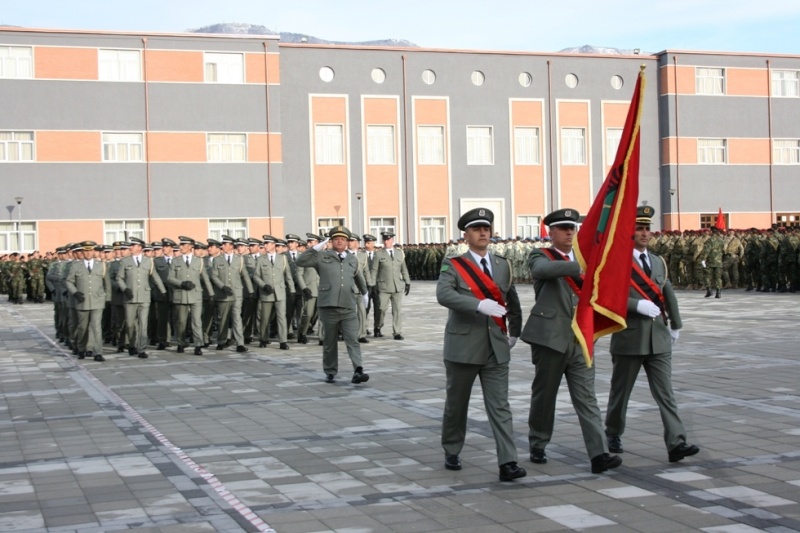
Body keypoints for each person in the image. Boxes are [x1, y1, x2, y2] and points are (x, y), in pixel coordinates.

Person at [520, 208, 621, 474]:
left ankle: (599, 454)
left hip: (580, 339)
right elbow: (542, 270)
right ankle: (538, 442)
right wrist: (582, 265)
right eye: (563, 229)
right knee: (545, 396)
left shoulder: (587, 259)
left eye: (572, 228)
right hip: (550, 339)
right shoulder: (540, 255)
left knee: (587, 398)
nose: (568, 232)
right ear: (550, 233)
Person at [436, 207, 525, 481]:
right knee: (457, 404)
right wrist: (478, 304)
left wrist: (515, 332)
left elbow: (512, 300)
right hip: (463, 348)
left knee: (500, 406)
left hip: (496, 347)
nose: (483, 232)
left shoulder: (502, 265)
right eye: (476, 229)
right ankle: (452, 448)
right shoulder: (453, 265)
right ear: (466, 235)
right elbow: (444, 295)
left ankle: (508, 462)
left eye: (486, 228)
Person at [604, 206, 700, 463]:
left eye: (647, 228)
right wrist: (636, 305)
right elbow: (609, 296)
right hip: (630, 337)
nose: (645, 233)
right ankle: (612, 432)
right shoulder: (618, 261)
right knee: (620, 393)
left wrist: (676, 324)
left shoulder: (658, 261)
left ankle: (676, 442)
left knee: (665, 393)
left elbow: (666, 291)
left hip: (658, 337)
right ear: (629, 232)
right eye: (639, 229)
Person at [296, 226, 369, 384]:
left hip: (348, 305)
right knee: (330, 342)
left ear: (347, 242)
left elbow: (358, 276)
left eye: (343, 239)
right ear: (331, 241)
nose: (339, 241)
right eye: (336, 239)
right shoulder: (322, 256)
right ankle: (330, 371)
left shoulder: (352, 259)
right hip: (328, 305)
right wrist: (314, 248)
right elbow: (300, 261)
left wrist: (365, 293)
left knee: (352, 339)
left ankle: (358, 369)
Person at [114, 237, 166, 359]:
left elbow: (155, 277)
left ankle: (141, 348)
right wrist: (125, 289)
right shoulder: (125, 261)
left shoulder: (149, 261)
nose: (130, 247)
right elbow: (119, 278)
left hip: (144, 296)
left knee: (143, 323)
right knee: (130, 324)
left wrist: (162, 290)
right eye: (131, 245)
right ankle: (132, 344)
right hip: (130, 297)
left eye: (133, 245)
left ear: (140, 248)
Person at [167, 236, 214, 355]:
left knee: (196, 321)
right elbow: (170, 278)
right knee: (181, 322)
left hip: (196, 295)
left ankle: (198, 345)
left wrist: (211, 293)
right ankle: (180, 342)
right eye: (180, 245)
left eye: (183, 245)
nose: (181, 247)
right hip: (181, 294)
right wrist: (181, 283)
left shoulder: (199, 261)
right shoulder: (175, 261)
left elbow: (205, 278)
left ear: (190, 247)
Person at [210, 235, 253, 352]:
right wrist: (222, 286)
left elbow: (244, 275)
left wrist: (250, 290)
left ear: (230, 246)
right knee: (223, 318)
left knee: (236, 318)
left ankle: (240, 343)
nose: (222, 246)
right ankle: (221, 341)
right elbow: (213, 276)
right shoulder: (217, 259)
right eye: (222, 244)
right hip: (223, 293)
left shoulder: (239, 259)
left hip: (237, 292)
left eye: (225, 244)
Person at [65, 241, 107, 362]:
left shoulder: (101, 265)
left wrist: (106, 297)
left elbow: (106, 283)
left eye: (90, 251)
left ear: (94, 251)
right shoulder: (76, 266)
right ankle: (81, 349)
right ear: (83, 252)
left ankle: (97, 352)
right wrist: (75, 292)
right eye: (86, 251)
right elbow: (69, 281)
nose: (88, 253)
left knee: (96, 327)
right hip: (82, 301)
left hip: (97, 300)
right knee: (82, 327)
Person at [253, 235, 295, 349]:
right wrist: (264, 285)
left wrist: (292, 290)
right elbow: (256, 276)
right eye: (264, 244)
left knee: (281, 317)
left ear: (273, 245)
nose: (265, 246)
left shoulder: (282, 258)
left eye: (267, 244)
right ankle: (263, 339)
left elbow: (288, 275)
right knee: (265, 318)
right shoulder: (261, 259)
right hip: (266, 292)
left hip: (280, 292)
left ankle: (283, 341)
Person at [370, 232, 411, 340]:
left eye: (388, 239)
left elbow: (404, 268)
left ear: (392, 240)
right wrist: (372, 284)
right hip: (383, 286)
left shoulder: (399, 253)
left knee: (397, 310)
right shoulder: (378, 254)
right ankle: (378, 327)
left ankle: (397, 332)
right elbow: (374, 270)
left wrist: (407, 282)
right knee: (381, 309)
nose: (386, 242)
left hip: (397, 286)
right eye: (384, 240)